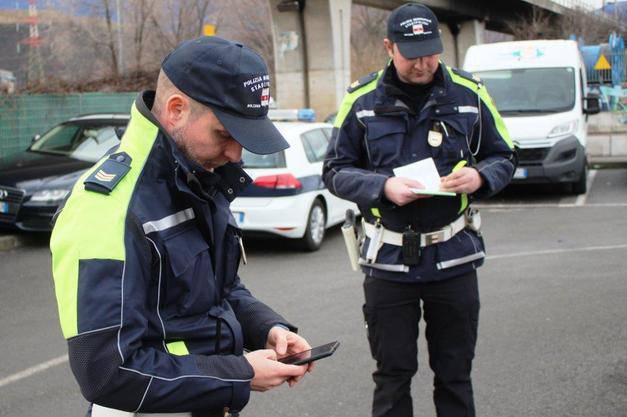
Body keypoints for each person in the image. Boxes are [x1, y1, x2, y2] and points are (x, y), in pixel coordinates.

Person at [50, 36, 313, 417]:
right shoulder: (106, 208)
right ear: (176, 110)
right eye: (225, 134)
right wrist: (238, 373)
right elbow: (107, 372)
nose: (236, 154)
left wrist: (268, 328)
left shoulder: (193, 178)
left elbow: (215, 291)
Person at [323, 3, 516, 417]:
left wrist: (480, 178)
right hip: (389, 260)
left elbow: (506, 155)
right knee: (392, 376)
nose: (423, 63)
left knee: (455, 375)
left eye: (431, 52)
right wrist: (382, 186)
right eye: (412, 54)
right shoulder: (360, 100)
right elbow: (335, 170)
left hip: (454, 257)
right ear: (389, 47)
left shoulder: (470, 94)